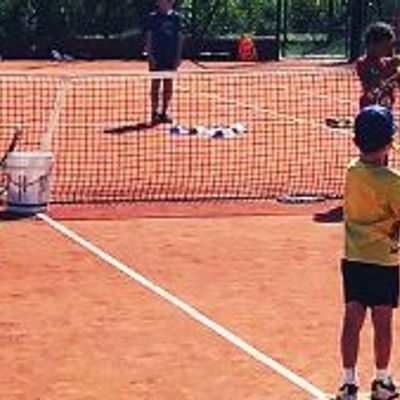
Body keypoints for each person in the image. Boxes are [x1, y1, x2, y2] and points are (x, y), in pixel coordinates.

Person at [335, 105, 400, 400]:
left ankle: (348, 383)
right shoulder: (393, 182)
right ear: (389, 142)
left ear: (356, 141)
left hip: (353, 260)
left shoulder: (352, 171)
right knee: (382, 323)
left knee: (352, 318)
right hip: (383, 261)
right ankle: (382, 381)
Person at [144, 0, 184, 124]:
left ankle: (164, 112)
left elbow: (180, 38)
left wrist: (178, 57)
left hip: (170, 57)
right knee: (155, 85)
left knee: (168, 84)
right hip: (157, 57)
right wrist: (150, 56)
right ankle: (154, 112)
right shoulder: (152, 17)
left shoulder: (176, 18)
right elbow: (149, 37)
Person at [356, 22, 400, 110]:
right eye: (384, 46)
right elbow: (376, 79)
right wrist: (393, 68)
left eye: (389, 46)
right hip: (370, 110)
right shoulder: (363, 62)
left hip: (386, 110)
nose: (388, 49)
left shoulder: (387, 62)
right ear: (371, 44)